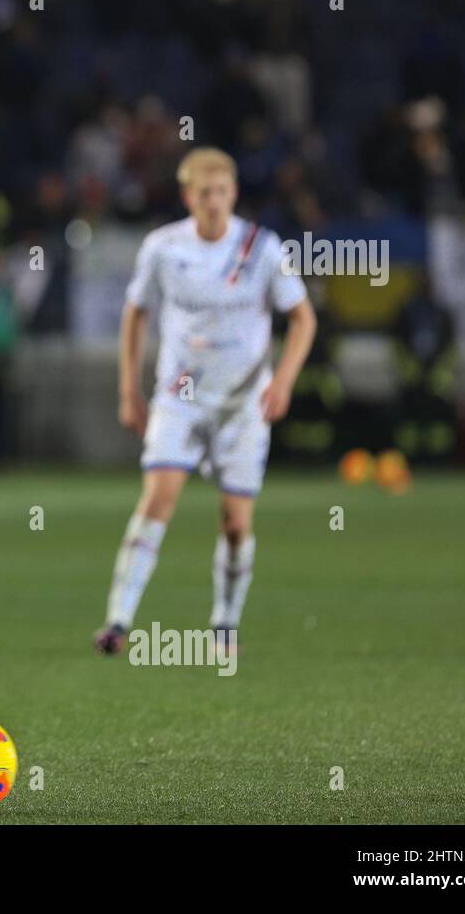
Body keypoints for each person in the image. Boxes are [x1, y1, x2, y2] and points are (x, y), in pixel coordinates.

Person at [95, 148, 317, 654]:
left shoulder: (262, 248)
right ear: (187, 196)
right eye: (203, 194)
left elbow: (303, 318)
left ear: (233, 194)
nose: (213, 203)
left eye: (221, 193)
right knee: (157, 499)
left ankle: (224, 624)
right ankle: (117, 622)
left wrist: (282, 382)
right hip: (181, 395)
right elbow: (136, 313)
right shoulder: (162, 247)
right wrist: (129, 388)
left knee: (236, 523)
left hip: (243, 402)